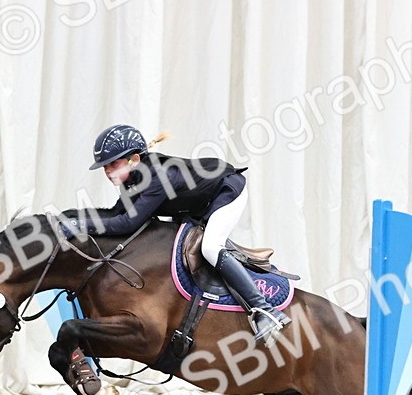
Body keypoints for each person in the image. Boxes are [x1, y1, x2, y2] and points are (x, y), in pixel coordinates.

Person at [78, 123, 291, 346]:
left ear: (135, 159)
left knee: (210, 247)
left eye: (113, 164)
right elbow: (116, 214)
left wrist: (79, 226)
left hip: (226, 190)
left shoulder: (157, 177)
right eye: (105, 166)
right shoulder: (132, 180)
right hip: (197, 202)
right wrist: (76, 221)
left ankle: (265, 311)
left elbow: (127, 223)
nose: (108, 171)